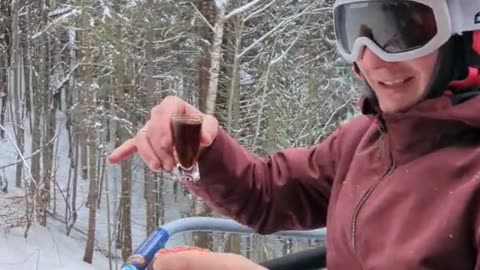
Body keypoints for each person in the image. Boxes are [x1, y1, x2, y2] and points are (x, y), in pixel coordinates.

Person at [108, 0, 480, 269]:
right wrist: (200, 146)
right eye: (356, 33)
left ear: (466, 33)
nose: (371, 59)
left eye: (401, 31)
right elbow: (267, 194)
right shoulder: (361, 144)